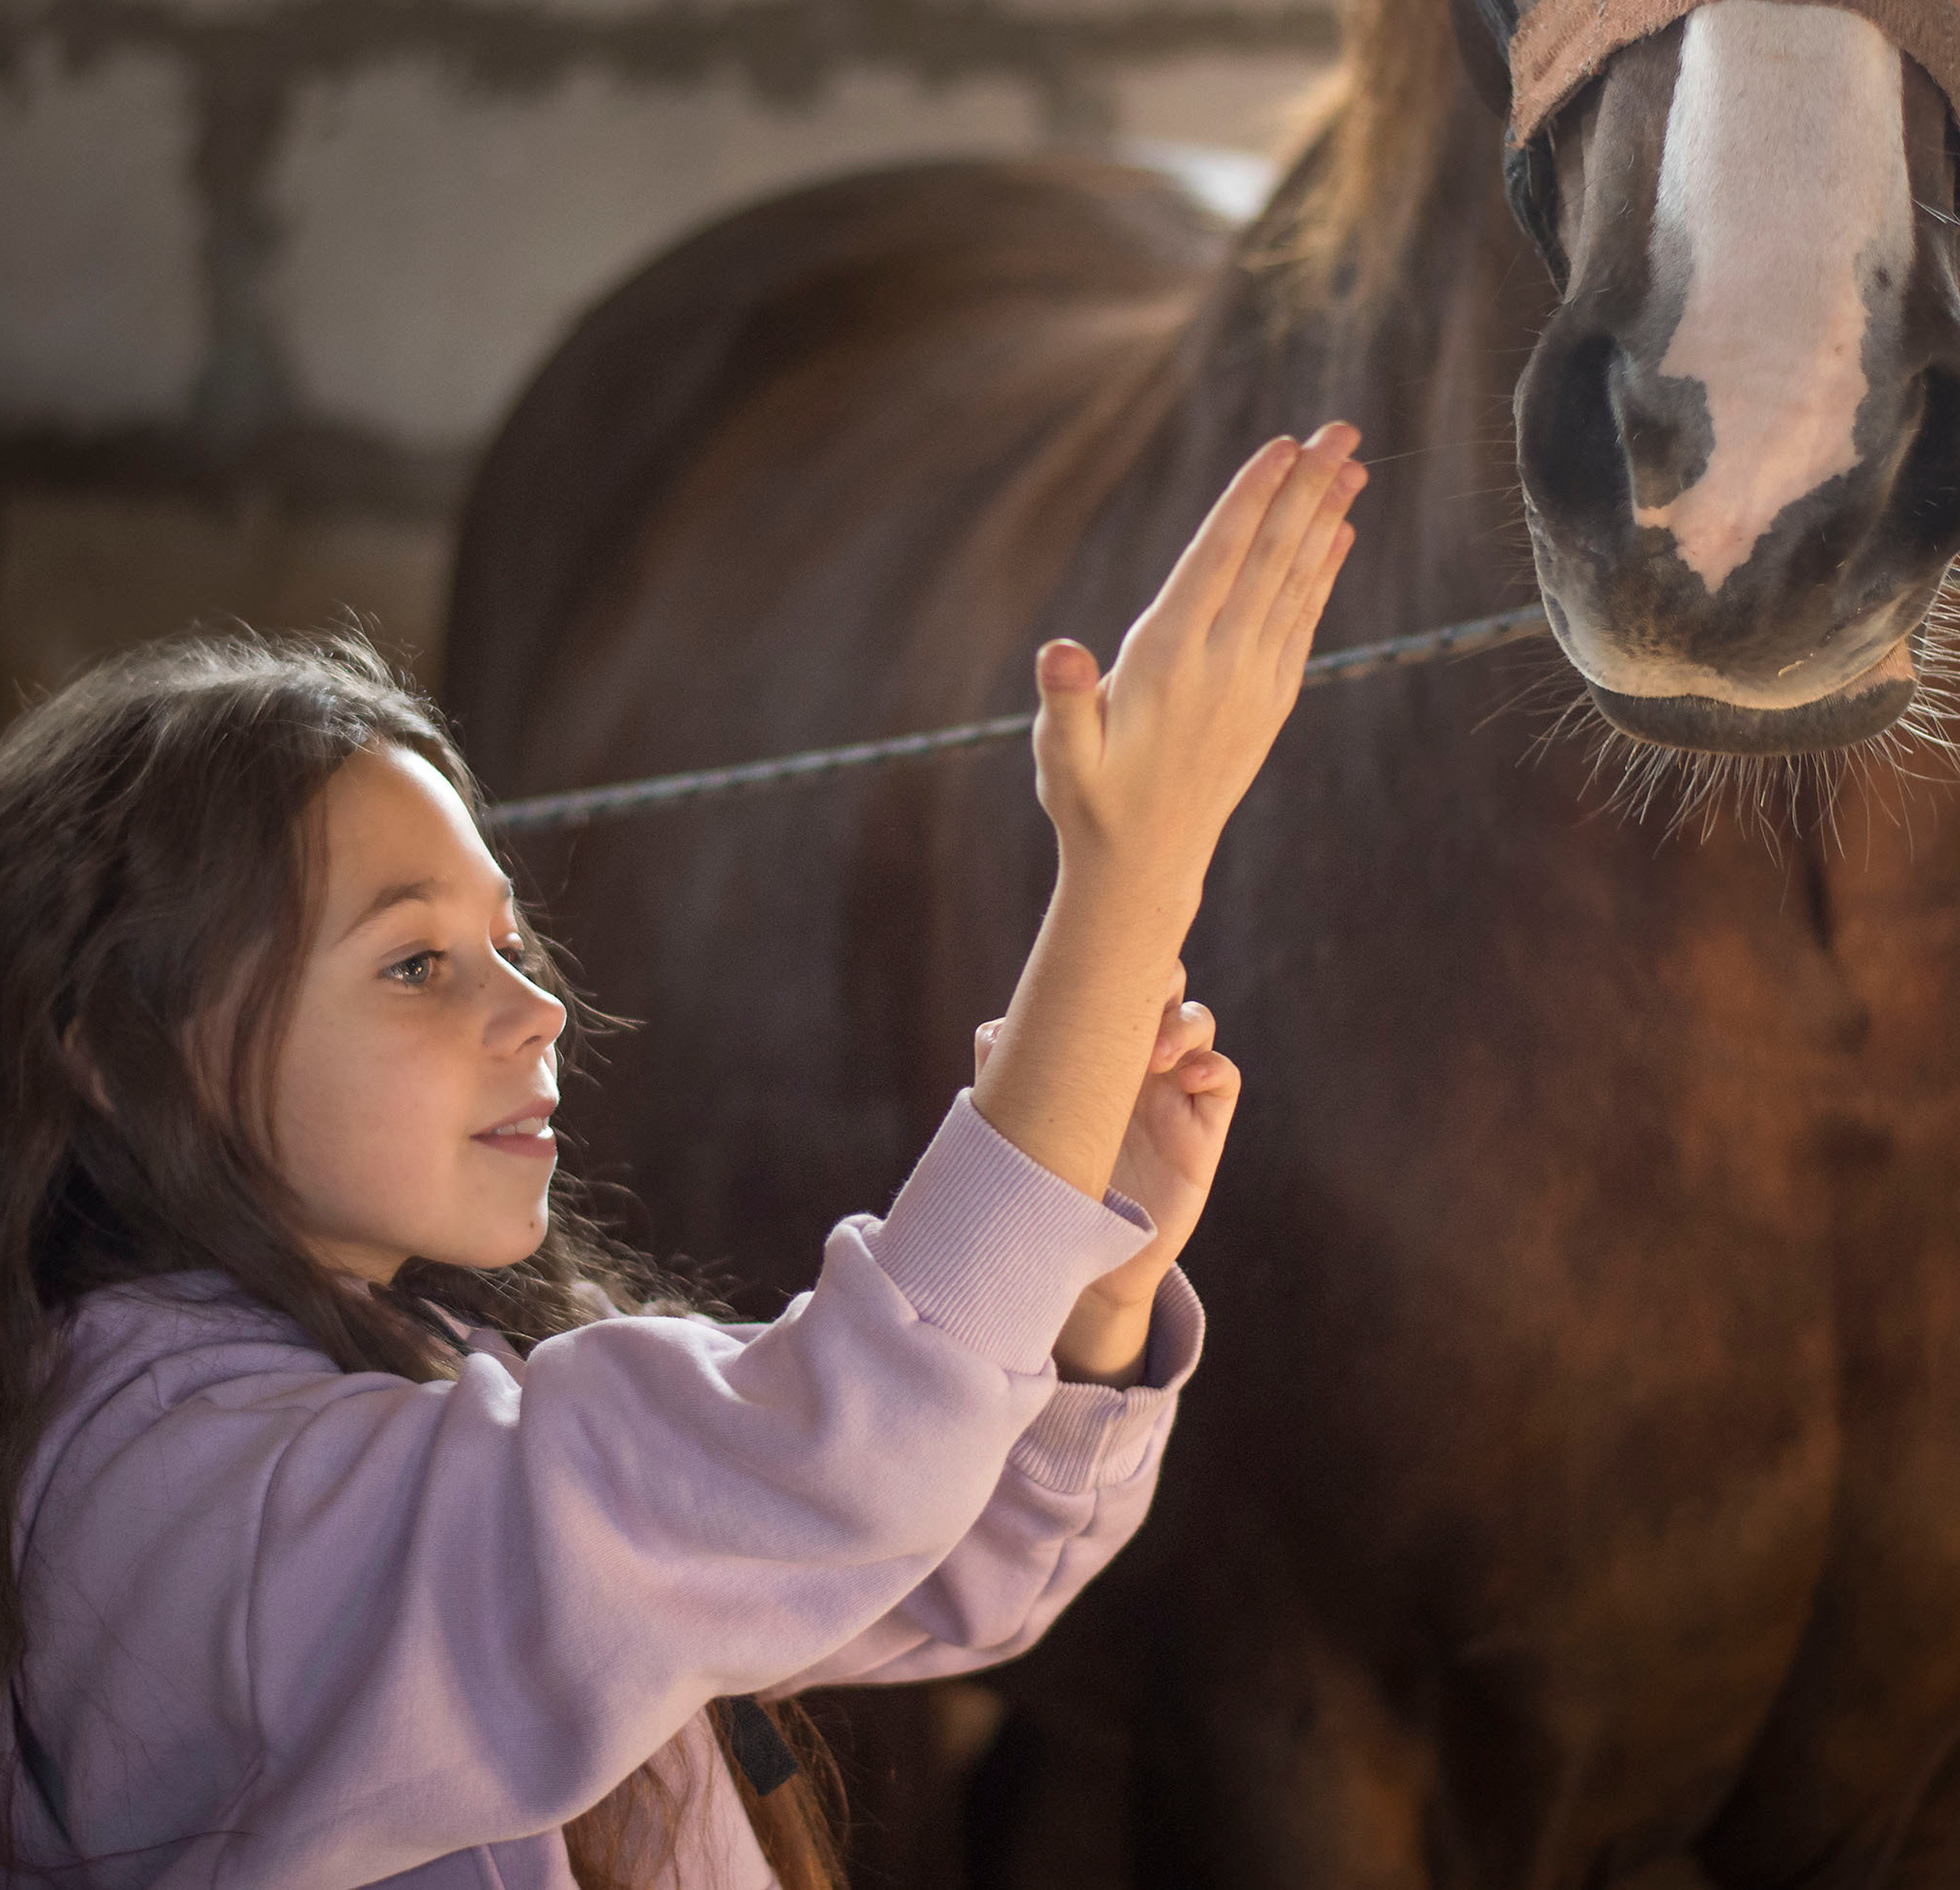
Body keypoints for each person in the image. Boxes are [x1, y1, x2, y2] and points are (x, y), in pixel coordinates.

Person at [0, 427, 1365, 1890]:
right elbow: (837, 1465)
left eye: (508, 943)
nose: (537, 1009)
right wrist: (1130, 880)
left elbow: (930, 1561)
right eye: (414, 964)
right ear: (115, 1047)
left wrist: (1097, 1297)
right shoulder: (177, 1510)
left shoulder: (409, 1361)